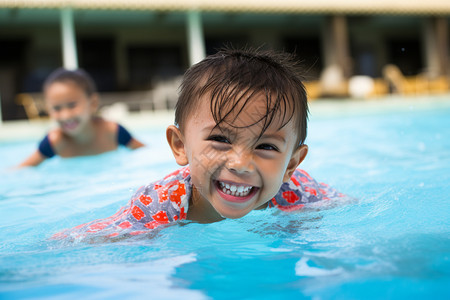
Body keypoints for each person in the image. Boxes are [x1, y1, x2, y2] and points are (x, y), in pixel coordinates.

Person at [53, 48, 349, 241]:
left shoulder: (299, 192)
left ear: (292, 165)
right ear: (180, 146)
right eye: (220, 139)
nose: (241, 164)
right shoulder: (159, 204)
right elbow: (94, 236)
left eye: (267, 147)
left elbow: (347, 209)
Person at [18, 68, 145, 167]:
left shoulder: (112, 131)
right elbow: (22, 169)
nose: (65, 115)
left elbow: (145, 153)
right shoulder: (55, 141)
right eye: (57, 108)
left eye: (72, 105)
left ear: (93, 103)